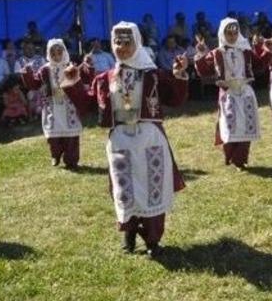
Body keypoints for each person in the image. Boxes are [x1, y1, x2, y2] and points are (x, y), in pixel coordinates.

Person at [69, 21, 189, 257]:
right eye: (117, 42)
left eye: (127, 42)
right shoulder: (105, 78)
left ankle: (153, 240)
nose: (122, 47)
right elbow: (88, 106)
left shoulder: (153, 74)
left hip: (149, 138)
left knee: (153, 187)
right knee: (125, 189)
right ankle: (129, 235)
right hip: (121, 139)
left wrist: (178, 73)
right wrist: (73, 83)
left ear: (137, 42)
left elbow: (175, 99)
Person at [194, 18, 260, 169]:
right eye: (229, 33)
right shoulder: (217, 53)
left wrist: (261, 47)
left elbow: (260, 63)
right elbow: (203, 70)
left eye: (235, 33)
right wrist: (201, 53)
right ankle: (229, 155)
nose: (232, 36)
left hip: (245, 93)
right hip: (228, 93)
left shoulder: (246, 51)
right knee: (229, 126)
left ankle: (240, 160)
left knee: (245, 127)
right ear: (223, 34)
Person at [20, 40, 87, 168]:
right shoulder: (44, 70)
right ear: (49, 54)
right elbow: (34, 84)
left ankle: (71, 160)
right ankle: (55, 155)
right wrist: (27, 73)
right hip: (52, 106)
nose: (56, 57)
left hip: (69, 106)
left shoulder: (69, 67)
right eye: (53, 54)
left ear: (64, 52)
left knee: (71, 134)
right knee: (53, 135)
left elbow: (79, 84)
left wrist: (84, 69)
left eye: (59, 53)